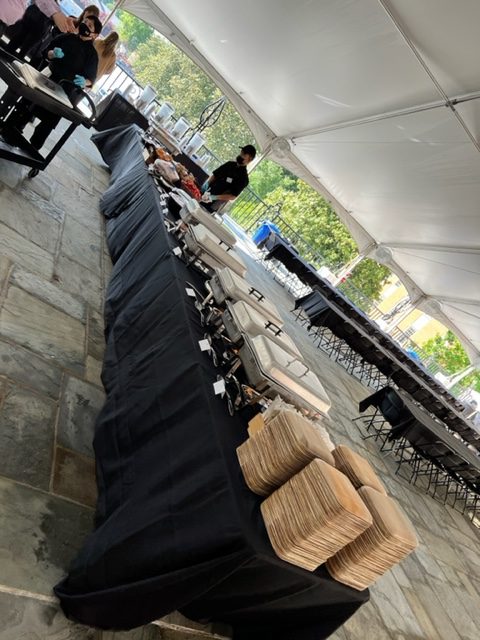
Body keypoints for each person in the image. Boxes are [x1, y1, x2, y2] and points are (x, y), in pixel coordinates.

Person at [4, 14, 102, 150]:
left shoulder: (92, 55)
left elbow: (91, 79)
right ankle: (10, 133)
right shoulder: (66, 37)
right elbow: (46, 52)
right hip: (47, 77)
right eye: (85, 21)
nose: (85, 25)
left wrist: (83, 82)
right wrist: (52, 54)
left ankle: (33, 149)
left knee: (48, 121)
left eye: (89, 26)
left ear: (95, 35)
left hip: (65, 91)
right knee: (28, 105)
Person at [2, 1, 76, 56]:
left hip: (29, 21)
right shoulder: (54, 9)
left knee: (17, 41)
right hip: (39, 28)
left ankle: (6, 55)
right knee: (24, 48)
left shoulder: (54, 8)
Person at [200, 144, 256, 212]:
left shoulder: (243, 178)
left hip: (214, 202)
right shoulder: (229, 164)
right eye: (241, 152)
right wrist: (207, 183)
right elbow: (215, 174)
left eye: (244, 155)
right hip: (207, 192)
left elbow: (233, 196)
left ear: (250, 159)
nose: (241, 155)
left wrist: (214, 197)